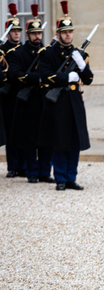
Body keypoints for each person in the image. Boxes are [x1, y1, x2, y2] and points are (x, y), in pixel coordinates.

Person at [37, 1, 93, 191]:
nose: (68, 35)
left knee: (74, 140)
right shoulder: (48, 53)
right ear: (58, 33)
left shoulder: (78, 53)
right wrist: (65, 77)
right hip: (58, 101)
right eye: (65, 32)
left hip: (74, 100)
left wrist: (82, 65)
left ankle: (71, 177)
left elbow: (89, 78)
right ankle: (60, 177)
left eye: (70, 32)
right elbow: (45, 74)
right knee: (60, 139)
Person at [9, 5, 54, 184]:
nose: (37, 37)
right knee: (30, 139)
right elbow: (15, 75)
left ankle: (45, 171)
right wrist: (38, 79)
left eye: (39, 34)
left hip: (46, 99)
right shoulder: (18, 53)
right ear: (28, 35)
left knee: (46, 137)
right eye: (34, 34)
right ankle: (32, 171)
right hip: (29, 100)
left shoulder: (48, 52)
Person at [1, 3, 26, 178]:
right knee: (10, 131)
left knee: (23, 131)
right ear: (8, 32)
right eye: (13, 31)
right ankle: (12, 166)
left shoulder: (25, 50)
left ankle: (23, 166)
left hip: (23, 92)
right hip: (8, 94)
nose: (17, 33)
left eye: (18, 31)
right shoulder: (2, 50)